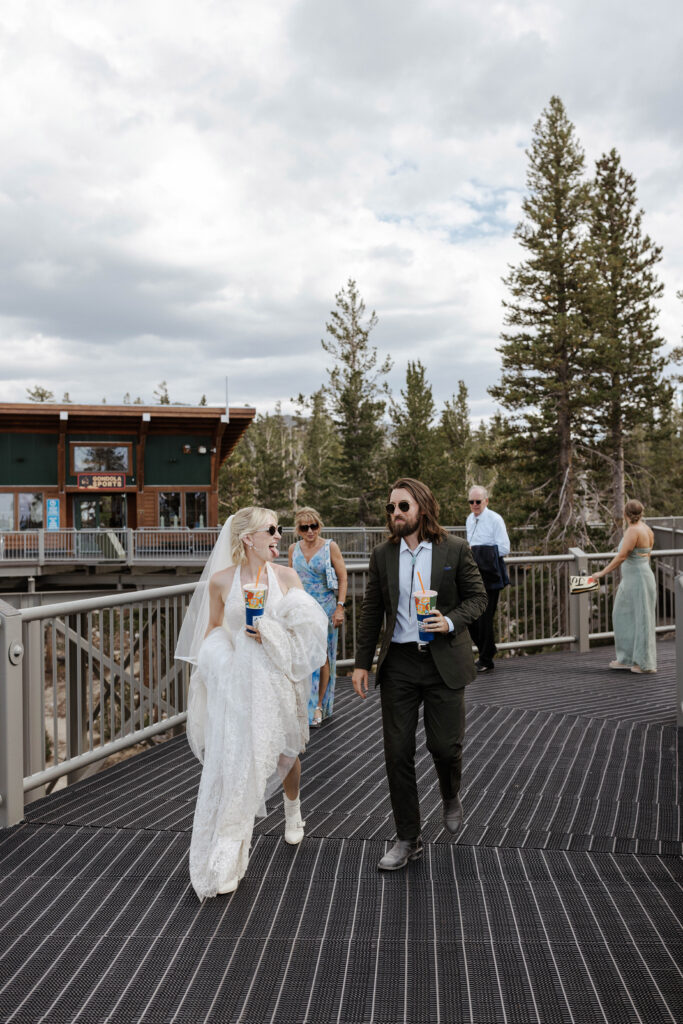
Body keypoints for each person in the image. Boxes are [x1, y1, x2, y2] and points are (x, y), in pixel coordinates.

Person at [175, 507, 327, 900]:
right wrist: (216, 663)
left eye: (279, 530)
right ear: (248, 538)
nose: (279, 536)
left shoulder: (287, 577)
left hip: (278, 679)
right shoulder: (221, 582)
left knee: (284, 755)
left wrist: (271, 633)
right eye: (271, 530)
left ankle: (292, 809)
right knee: (240, 764)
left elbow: (309, 630)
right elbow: (211, 630)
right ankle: (229, 854)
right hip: (240, 684)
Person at [352, 478, 487, 871]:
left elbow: (478, 598)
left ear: (422, 509)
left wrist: (448, 620)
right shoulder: (383, 555)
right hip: (400, 664)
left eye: (403, 507)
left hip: (443, 659)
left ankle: (449, 793)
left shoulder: (455, 550)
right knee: (397, 753)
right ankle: (408, 837)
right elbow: (372, 609)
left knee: (445, 747)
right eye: (391, 508)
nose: (395, 514)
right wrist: (362, 663)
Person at [288, 507, 348, 726]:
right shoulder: (293, 549)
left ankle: (319, 705)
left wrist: (340, 607)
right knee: (301, 657)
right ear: (299, 529)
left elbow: (343, 577)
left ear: (319, 526)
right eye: (305, 527)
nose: (310, 531)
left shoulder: (329, 547)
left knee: (321, 656)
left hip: (325, 609)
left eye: (314, 526)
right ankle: (303, 705)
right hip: (301, 610)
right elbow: (290, 579)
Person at [591, 499, 656, 674]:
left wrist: (600, 573)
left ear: (625, 514)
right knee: (622, 614)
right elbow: (646, 555)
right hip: (635, 578)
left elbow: (622, 556)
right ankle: (626, 658)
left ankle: (643, 663)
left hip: (639, 579)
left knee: (642, 619)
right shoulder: (647, 529)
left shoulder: (634, 531)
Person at [465, 485, 510, 673]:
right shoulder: (469, 519)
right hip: (474, 574)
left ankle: (485, 659)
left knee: (484, 617)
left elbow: (505, 548)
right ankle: (488, 650)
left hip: (491, 574)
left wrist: (479, 552)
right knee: (470, 617)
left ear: (486, 501)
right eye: (471, 502)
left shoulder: (495, 519)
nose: (474, 505)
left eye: (478, 501)